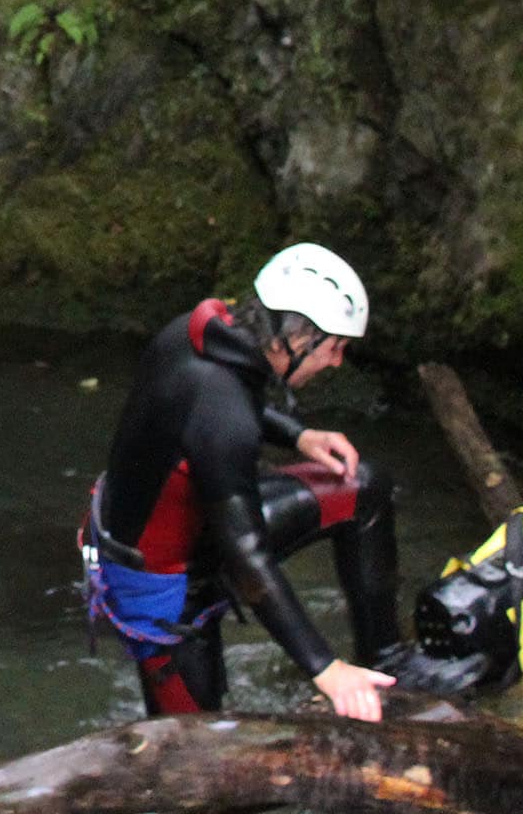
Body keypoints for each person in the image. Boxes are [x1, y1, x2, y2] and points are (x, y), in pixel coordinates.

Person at [81, 242, 444, 721]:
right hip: (163, 587)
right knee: (196, 749)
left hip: (193, 529)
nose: (337, 362)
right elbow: (246, 553)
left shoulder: (201, 334)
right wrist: (325, 668)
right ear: (295, 340)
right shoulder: (222, 410)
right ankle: (344, 679)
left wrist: (299, 436)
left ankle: (386, 666)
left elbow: (208, 411)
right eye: (334, 347)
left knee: (362, 486)